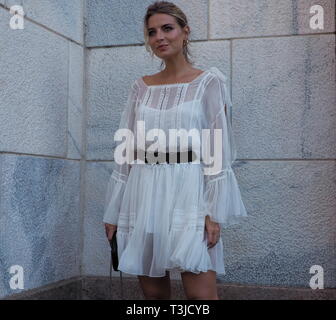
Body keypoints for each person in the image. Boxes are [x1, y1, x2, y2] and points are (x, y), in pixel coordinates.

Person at [103, 1, 248, 300]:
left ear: (185, 32)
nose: (160, 37)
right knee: (154, 299)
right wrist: (114, 211)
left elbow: (217, 151)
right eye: (152, 32)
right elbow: (126, 151)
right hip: (143, 193)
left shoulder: (209, 82)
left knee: (202, 298)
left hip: (189, 192)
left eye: (167, 28)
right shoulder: (140, 88)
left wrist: (214, 214)